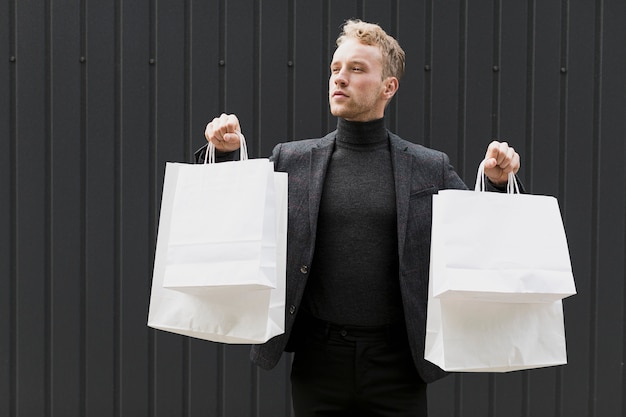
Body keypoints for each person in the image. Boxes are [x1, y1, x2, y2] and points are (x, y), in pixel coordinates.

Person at [199, 19, 520, 417]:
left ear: (389, 87)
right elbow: (235, 219)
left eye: (356, 69)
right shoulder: (292, 160)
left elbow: (478, 236)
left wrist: (496, 182)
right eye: (336, 68)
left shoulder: (428, 168)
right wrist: (226, 153)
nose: (340, 78)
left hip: (398, 365)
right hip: (319, 362)